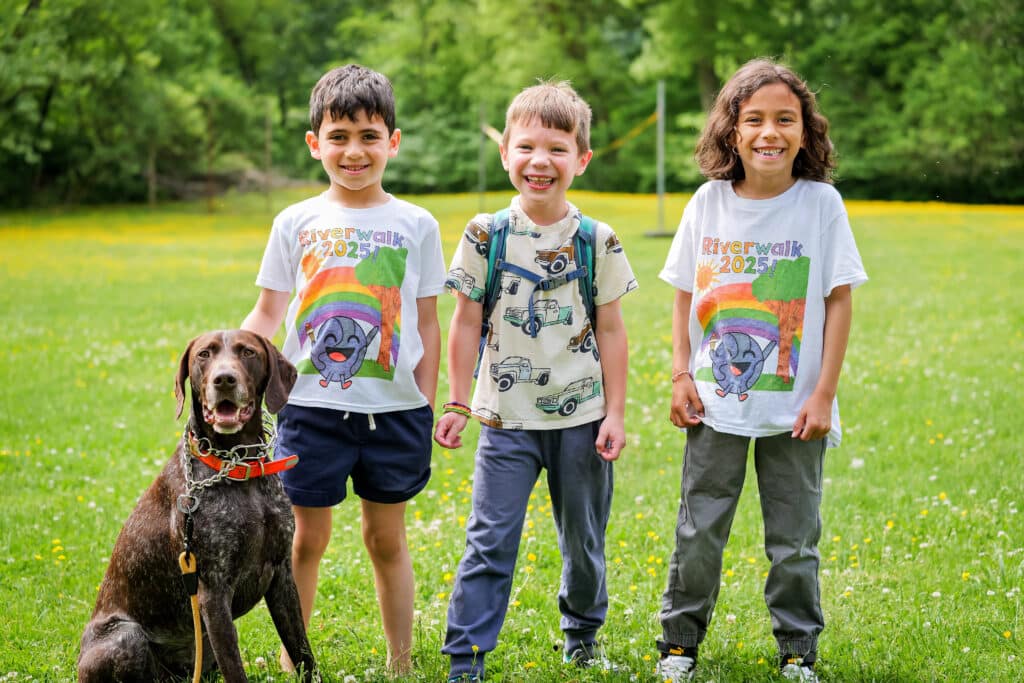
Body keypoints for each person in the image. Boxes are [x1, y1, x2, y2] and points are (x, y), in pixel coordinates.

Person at [654, 58, 868, 683]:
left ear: (806, 133)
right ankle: (678, 643)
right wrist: (679, 373)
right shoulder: (707, 201)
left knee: (794, 541)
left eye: (785, 119)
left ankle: (798, 649)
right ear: (732, 131)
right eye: (754, 119)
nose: (769, 132)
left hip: (796, 410)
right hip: (715, 405)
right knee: (699, 532)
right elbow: (683, 293)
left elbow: (838, 298)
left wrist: (824, 394)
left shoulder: (821, 204)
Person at [241, 63, 446, 676]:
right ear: (315, 144)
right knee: (304, 540)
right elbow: (269, 311)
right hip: (309, 409)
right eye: (338, 136)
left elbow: (429, 322)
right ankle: (292, 658)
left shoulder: (417, 224)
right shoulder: (295, 222)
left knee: (387, 541)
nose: (354, 151)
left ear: (393, 141)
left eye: (368, 136)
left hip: (395, 414)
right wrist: (234, 367)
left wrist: (428, 399)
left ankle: (401, 662)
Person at [434, 81, 638, 682]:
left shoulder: (596, 239)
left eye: (557, 148)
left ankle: (582, 635)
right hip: (504, 420)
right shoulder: (484, 234)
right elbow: (465, 319)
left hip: (583, 420)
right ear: (506, 155)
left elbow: (614, 330)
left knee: (584, 540)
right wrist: (455, 399)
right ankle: (465, 659)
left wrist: (617, 413)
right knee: (489, 541)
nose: (540, 161)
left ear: (582, 159)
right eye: (526, 147)